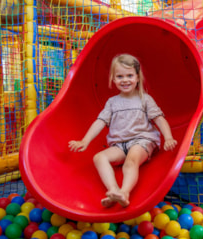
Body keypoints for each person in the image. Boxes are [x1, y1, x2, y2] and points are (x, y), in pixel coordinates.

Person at [68, 54, 177, 208]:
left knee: (130, 161)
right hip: (120, 145)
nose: (125, 80)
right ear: (113, 79)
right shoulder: (112, 102)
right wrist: (84, 140)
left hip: (142, 140)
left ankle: (124, 192)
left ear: (138, 77)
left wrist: (168, 137)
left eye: (129, 75)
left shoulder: (144, 99)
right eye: (120, 76)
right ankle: (113, 190)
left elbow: (159, 118)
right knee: (99, 158)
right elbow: (100, 122)